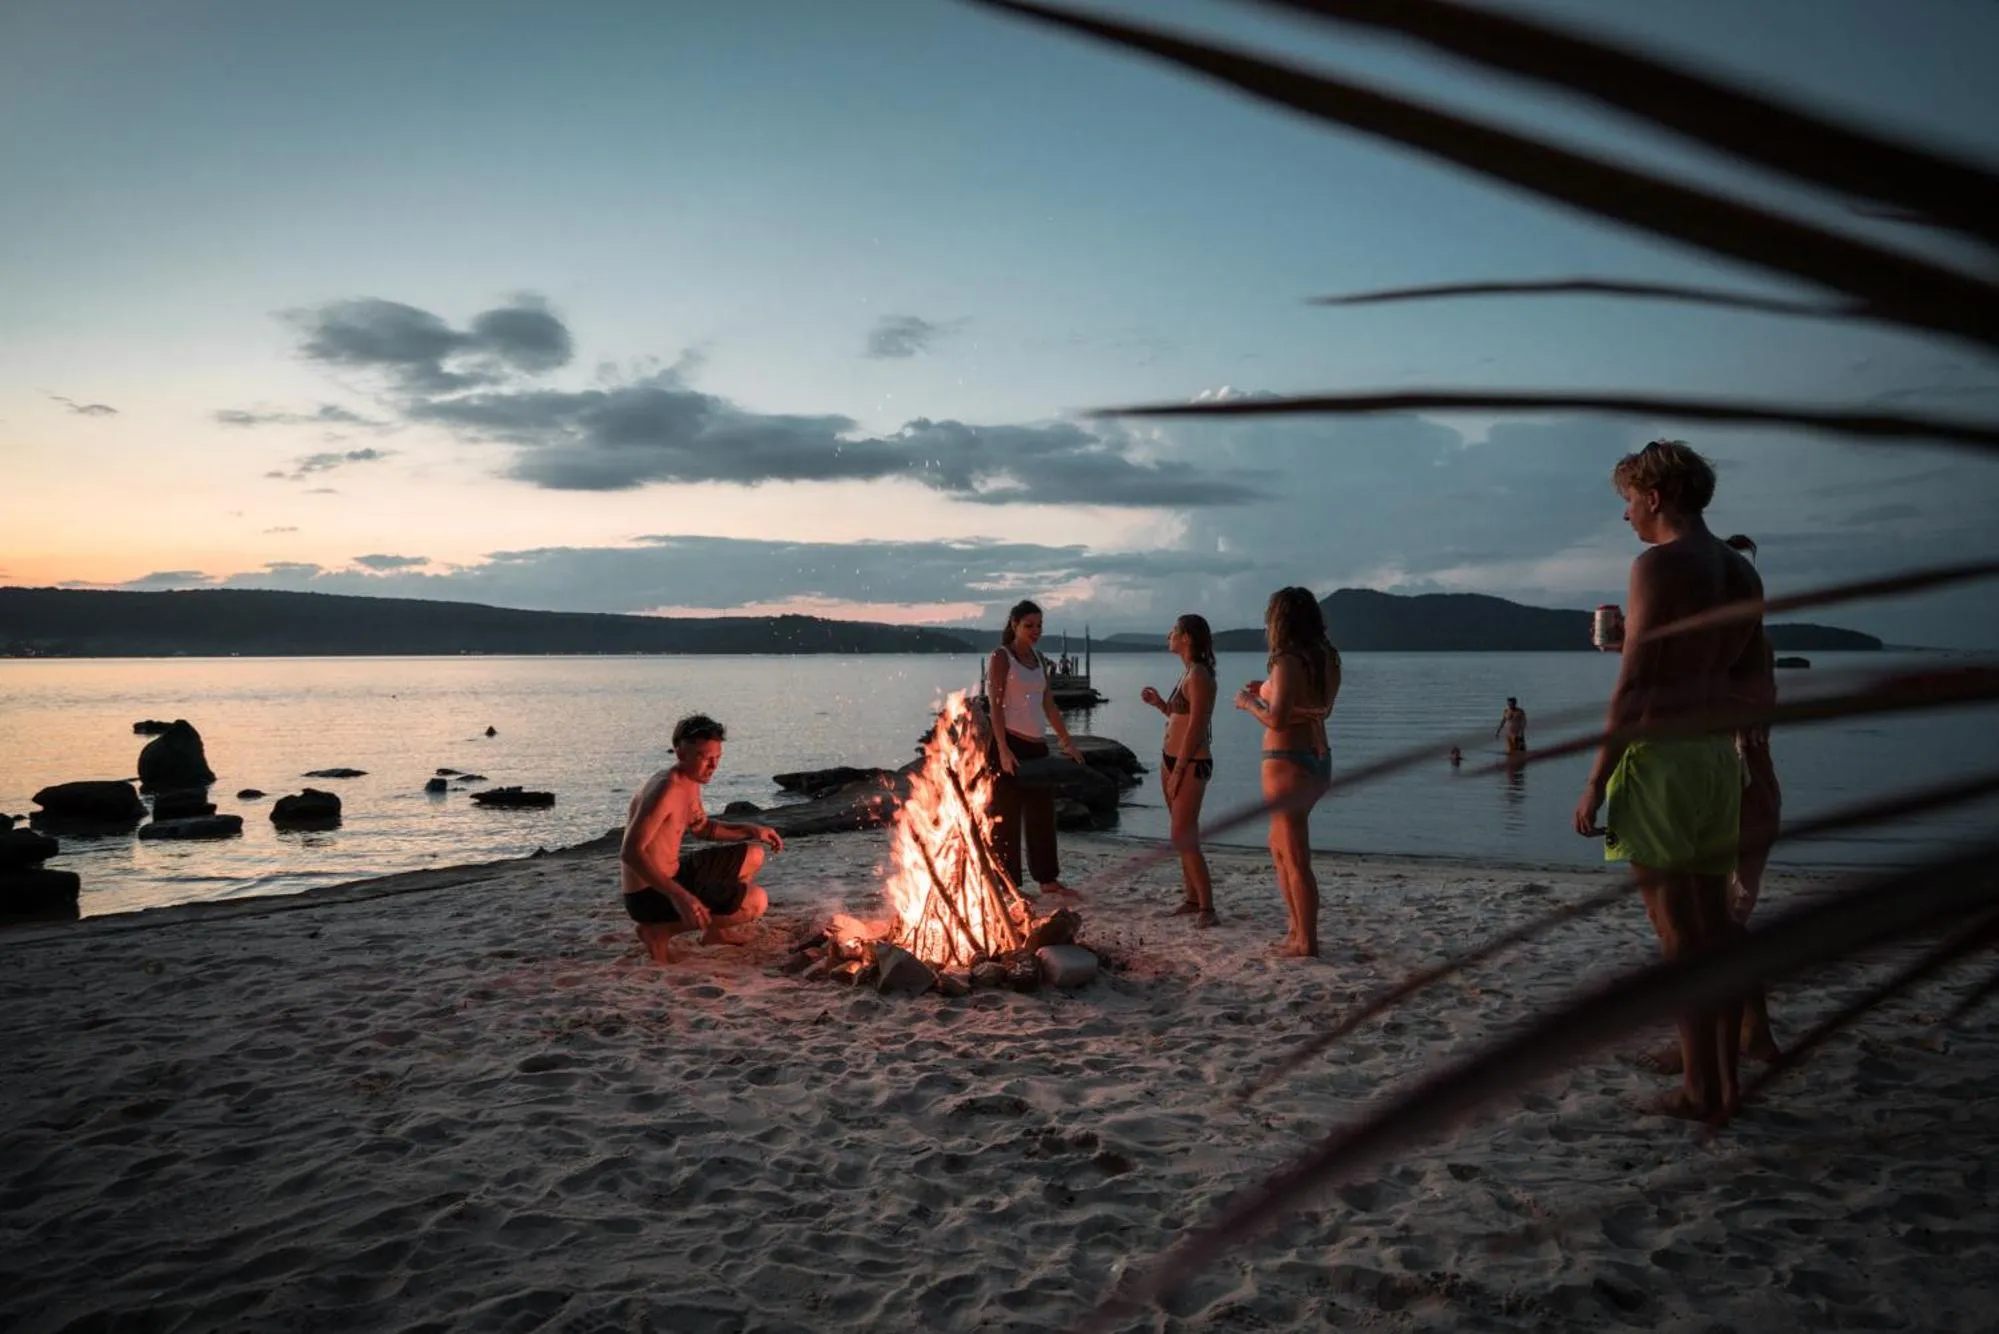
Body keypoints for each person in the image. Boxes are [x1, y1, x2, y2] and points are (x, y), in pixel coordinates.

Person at [1573, 440, 1765, 1121]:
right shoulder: (1739, 575)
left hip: (1661, 756)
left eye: (1628, 501)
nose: (1626, 516)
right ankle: (1722, 1083)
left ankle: (1700, 1092)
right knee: (1711, 933)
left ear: (1654, 497)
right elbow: (1746, 677)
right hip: (1716, 758)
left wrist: (1596, 779)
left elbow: (1634, 683)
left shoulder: (1656, 565)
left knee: (1681, 940)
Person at [620, 713, 783, 963]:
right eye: (704, 757)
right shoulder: (666, 789)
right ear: (680, 753)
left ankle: (715, 933)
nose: (713, 766)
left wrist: (750, 829)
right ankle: (657, 931)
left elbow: (702, 828)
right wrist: (681, 896)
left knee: (754, 853)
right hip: (648, 893)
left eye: (717, 757)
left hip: (673, 874)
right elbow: (631, 852)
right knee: (756, 901)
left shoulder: (690, 780)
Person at [1235, 586, 1340, 958]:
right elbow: (1319, 709)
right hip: (1318, 755)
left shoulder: (1286, 660)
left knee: (1295, 856)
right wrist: (1265, 691)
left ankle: (1306, 941)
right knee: (1279, 847)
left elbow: (1277, 718)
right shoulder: (1328, 657)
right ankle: (1296, 930)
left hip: (1287, 758)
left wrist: (1250, 703)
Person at [988, 599, 1086, 898]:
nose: (1035, 631)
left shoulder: (1040, 659)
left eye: (1039, 626)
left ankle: (1047, 880)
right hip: (1010, 744)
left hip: (1038, 747)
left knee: (1042, 816)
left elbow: (1049, 704)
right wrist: (1003, 749)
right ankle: (1009, 885)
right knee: (1006, 819)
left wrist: (1067, 741)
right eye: (1029, 625)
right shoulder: (1001, 657)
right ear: (1014, 625)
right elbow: (995, 705)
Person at [1140, 614, 1218, 925]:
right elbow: (1180, 716)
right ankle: (1191, 897)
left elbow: (1197, 727)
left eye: (1174, 630)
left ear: (1186, 637)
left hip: (1191, 763)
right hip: (1172, 760)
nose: (1169, 634)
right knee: (1182, 833)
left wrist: (1179, 769)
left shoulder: (1199, 674)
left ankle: (1208, 908)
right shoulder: (1188, 672)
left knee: (1184, 835)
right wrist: (1161, 704)